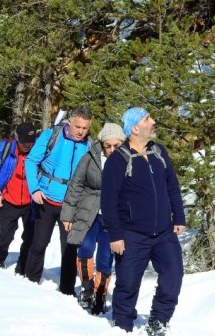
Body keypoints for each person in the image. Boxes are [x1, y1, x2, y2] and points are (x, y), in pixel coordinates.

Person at [102, 107, 186, 336]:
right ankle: (122, 326)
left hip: (163, 233)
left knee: (173, 275)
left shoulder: (159, 151)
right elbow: (108, 201)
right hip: (131, 234)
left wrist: (178, 216)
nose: (153, 121)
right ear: (135, 128)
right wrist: (115, 235)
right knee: (128, 284)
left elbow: (172, 186)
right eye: (148, 118)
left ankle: (159, 321)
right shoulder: (117, 160)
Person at [24, 106, 92, 295]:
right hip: (45, 199)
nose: (81, 132)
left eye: (85, 128)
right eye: (78, 126)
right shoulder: (51, 136)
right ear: (70, 122)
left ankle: (67, 291)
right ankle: (30, 282)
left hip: (71, 205)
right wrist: (34, 188)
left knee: (69, 250)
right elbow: (31, 161)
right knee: (39, 243)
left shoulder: (89, 145)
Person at [61, 122, 126, 315]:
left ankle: (100, 294)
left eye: (116, 145)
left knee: (105, 258)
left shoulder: (128, 161)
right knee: (85, 248)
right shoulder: (90, 157)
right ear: (102, 143)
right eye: (108, 145)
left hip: (113, 218)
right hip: (88, 214)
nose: (112, 149)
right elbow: (75, 186)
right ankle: (87, 290)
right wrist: (67, 215)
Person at [0, 122, 37, 274]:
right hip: (8, 201)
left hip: (30, 203)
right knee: (6, 235)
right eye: (24, 141)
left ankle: (23, 266)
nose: (27, 145)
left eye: (31, 142)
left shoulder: (38, 151)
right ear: (17, 137)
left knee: (30, 236)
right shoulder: (5, 149)